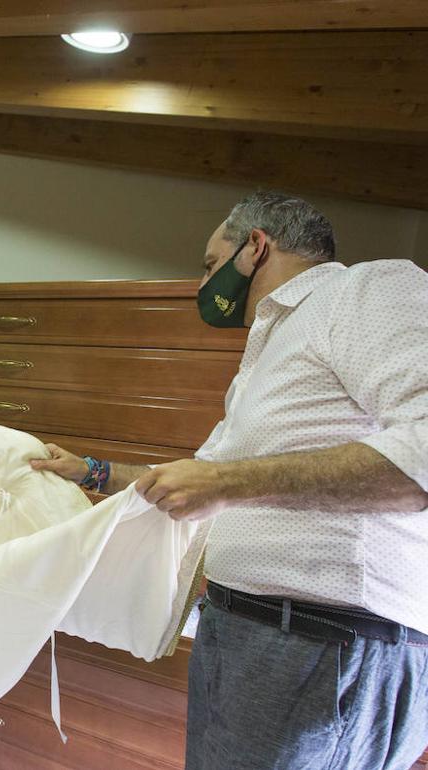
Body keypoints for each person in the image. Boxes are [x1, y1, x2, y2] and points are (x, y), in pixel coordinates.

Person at [31, 191, 428, 770]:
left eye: (210, 264)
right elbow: (194, 479)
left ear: (256, 247)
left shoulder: (364, 292)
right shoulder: (267, 357)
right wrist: (91, 471)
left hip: (324, 642)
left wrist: (229, 485)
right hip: (252, 633)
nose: (204, 286)